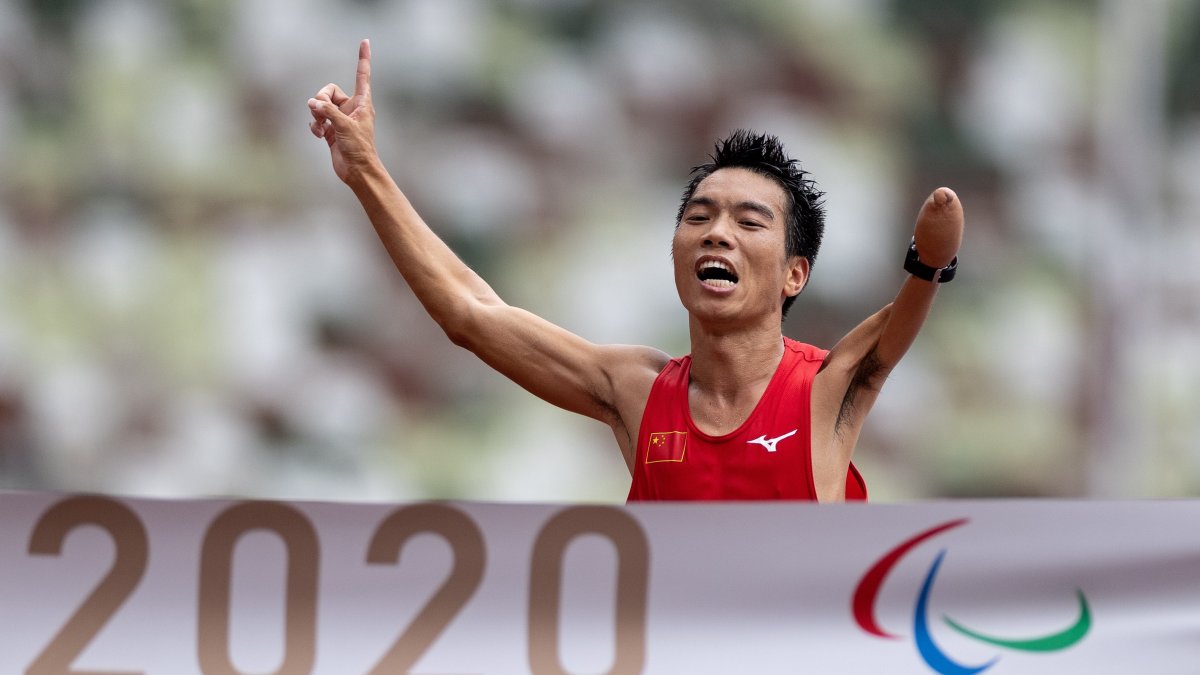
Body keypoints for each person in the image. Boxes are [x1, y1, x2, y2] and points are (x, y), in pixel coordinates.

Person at [307, 40, 964, 502]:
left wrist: (930, 261)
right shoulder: (636, 390)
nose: (718, 233)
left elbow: (897, 324)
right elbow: (471, 315)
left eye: (750, 221)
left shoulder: (826, 388)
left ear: (796, 274)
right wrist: (366, 170)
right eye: (700, 216)